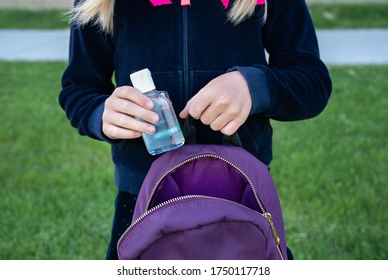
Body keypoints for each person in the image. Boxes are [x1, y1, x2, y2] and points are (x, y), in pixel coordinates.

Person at [59, 0, 332, 260]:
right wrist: (101, 114)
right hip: (141, 198)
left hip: (242, 195)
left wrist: (254, 87)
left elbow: (312, 83)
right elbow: (79, 88)